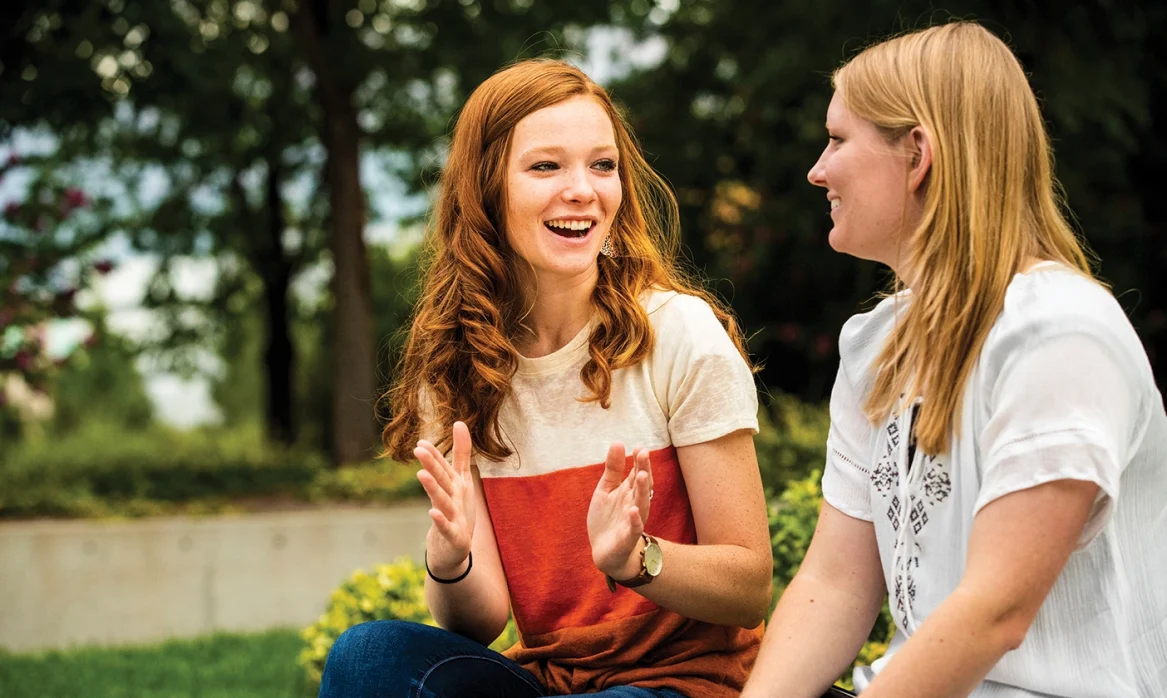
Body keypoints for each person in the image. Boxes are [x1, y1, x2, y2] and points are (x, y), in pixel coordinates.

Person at [316, 58, 774, 698]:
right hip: (551, 682)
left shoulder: (678, 335)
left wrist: (637, 559)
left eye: (602, 165)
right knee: (367, 657)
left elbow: (750, 585)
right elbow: (481, 622)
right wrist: (451, 563)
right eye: (545, 165)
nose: (584, 189)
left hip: (685, 682)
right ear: (485, 190)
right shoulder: (458, 366)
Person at [741, 21, 1167, 698]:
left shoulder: (1058, 335)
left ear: (916, 155)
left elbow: (993, 613)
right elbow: (835, 583)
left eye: (838, 139)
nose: (816, 170)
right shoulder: (874, 346)